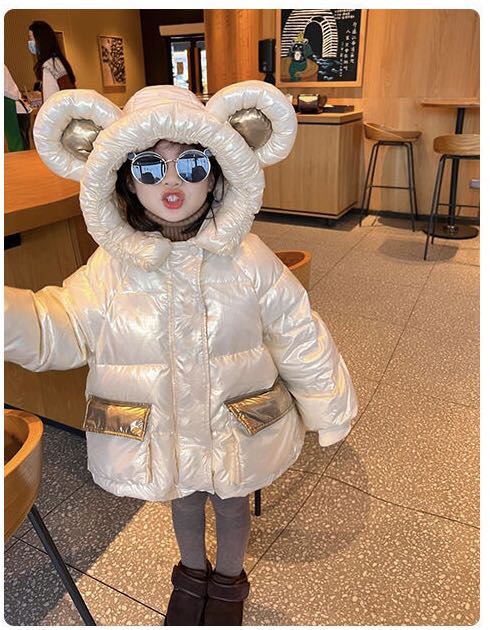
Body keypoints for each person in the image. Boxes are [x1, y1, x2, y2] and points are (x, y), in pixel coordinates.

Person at [4, 81, 358, 625]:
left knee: (233, 503)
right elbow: (59, 324)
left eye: (191, 165)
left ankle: (229, 582)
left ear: (215, 174)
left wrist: (328, 406)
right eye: (150, 168)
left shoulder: (248, 257)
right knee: (184, 500)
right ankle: (192, 574)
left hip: (235, 426)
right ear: (126, 179)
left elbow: (296, 329)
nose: (171, 181)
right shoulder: (111, 269)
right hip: (166, 431)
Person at [28, 20, 76, 103]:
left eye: (31, 39)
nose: (30, 43)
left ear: (40, 41)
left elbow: (49, 100)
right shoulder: (59, 61)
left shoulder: (48, 66)